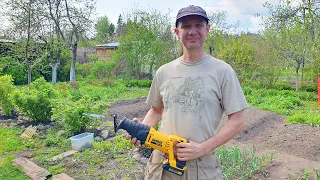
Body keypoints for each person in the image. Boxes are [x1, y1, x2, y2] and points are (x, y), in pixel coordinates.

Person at [126, 5, 248, 180]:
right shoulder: (164, 71)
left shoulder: (223, 71)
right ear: (176, 32)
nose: (192, 31)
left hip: (202, 168)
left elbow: (237, 121)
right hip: (162, 166)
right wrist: (142, 130)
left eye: (198, 25)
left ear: (207, 30)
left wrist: (202, 148)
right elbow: (156, 110)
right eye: (186, 26)